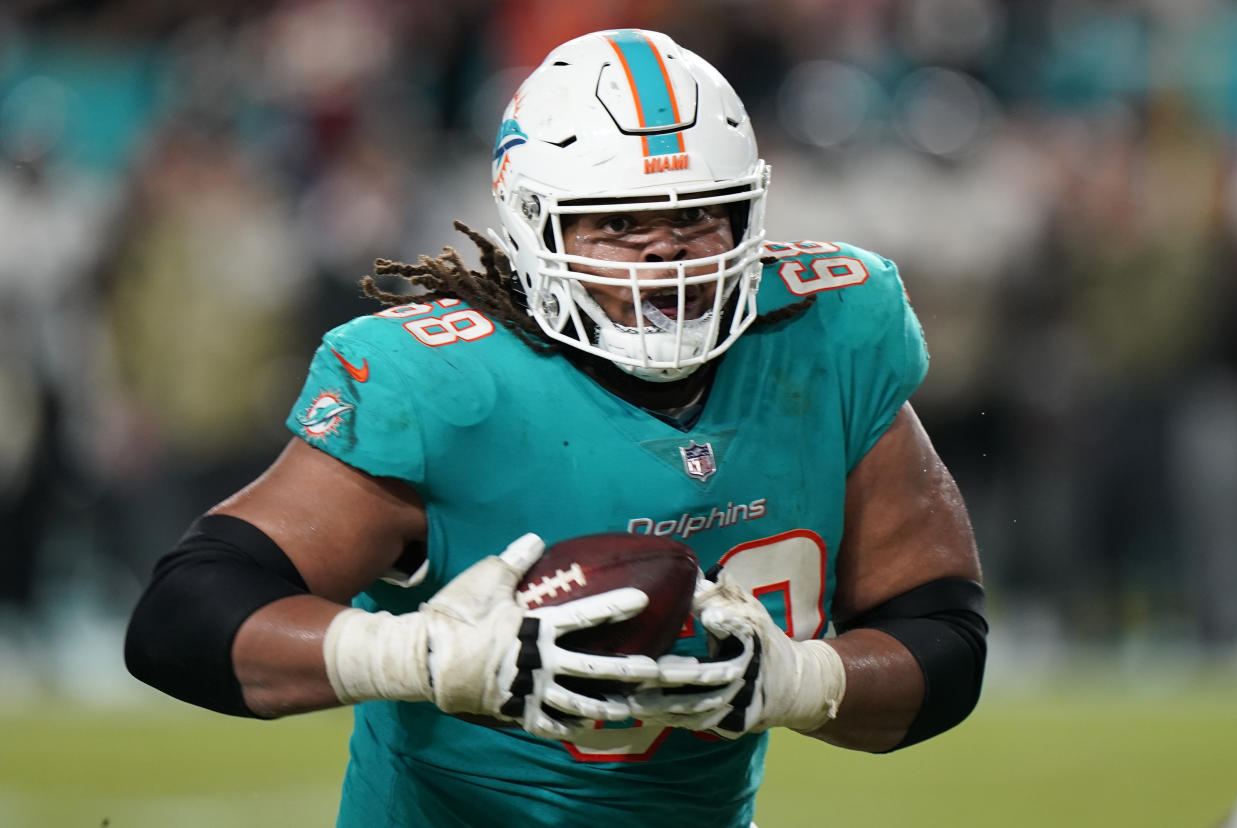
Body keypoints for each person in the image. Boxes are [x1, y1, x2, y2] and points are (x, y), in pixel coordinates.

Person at [125, 28, 987, 828]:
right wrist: (421, 657)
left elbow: (943, 639)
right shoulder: (444, 382)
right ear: (534, 226)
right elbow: (181, 619)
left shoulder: (826, 334)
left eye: (697, 213)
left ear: (748, 213)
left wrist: (802, 680)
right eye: (617, 222)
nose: (665, 250)